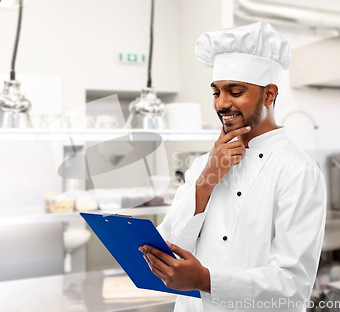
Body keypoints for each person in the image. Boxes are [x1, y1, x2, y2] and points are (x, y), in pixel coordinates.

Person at [139, 21, 327, 311]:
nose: (221, 104)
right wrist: (206, 181)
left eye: (235, 91)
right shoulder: (204, 165)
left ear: (269, 94)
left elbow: (293, 284)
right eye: (216, 92)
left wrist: (206, 279)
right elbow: (167, 246)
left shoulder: (297, 172)